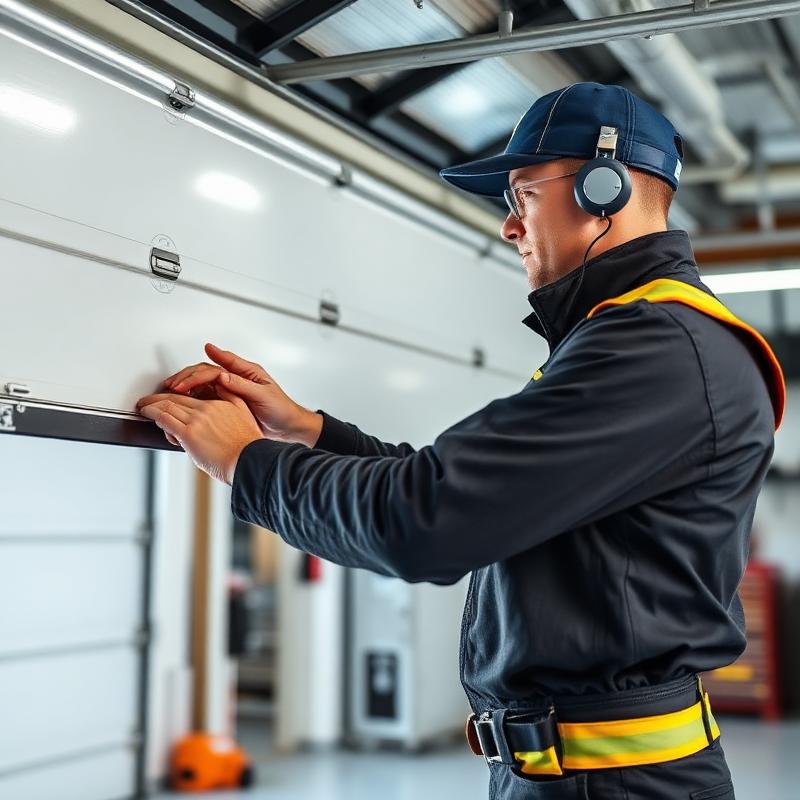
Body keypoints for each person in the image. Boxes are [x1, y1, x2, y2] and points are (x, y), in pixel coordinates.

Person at [137, 83, 784, 799]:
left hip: (615, 783)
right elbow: (467, 489)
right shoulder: (631, 338)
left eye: (523, 195)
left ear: (607, 188)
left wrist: (246, 461)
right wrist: (308, 432)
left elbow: (428, 520)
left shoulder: (655, 347)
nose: (510, 227)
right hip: (581, 773)